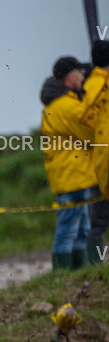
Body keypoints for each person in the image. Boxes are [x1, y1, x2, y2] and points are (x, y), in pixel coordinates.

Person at [41, 56, 99, 270]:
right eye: (79, 72)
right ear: (69, 76)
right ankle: (65, 273)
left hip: (72, 175)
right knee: (69, 230)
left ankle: (75, 274)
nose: (83, 77)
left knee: (80, 228)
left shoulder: (59, 104)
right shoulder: (67, 106)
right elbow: (93, 132)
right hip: (73, 176)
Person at [82, 40, 109, 265]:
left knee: (97, 221)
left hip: (98, 160)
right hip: (103, 161)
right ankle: (93, 266)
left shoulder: (93, 84)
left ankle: (94, 266)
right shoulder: (99, 86)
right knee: (98, 221)